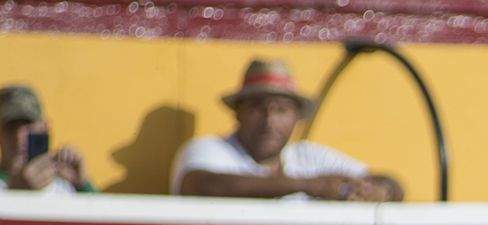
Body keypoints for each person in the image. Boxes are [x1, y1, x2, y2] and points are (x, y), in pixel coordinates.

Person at [172, 59, 403, 202]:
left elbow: (390, 183)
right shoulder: (210, 149)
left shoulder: (307, 156)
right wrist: (310, 186)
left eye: (281, 110)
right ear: (238, 113)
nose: (269, 120)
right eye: (257, 108)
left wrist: (382, 191)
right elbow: (203, 185)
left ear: (296, 117)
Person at [0, 85, 95, 194]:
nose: (19, 137)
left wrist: (82, 185)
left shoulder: (65, 186)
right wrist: (15, 192)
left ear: (45, 128)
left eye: (28, 125)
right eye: (11, 127)